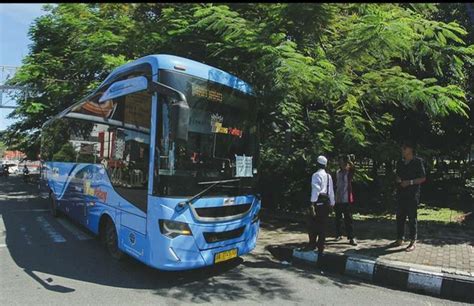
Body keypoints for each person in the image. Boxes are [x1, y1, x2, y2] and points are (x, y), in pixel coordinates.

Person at [392, 140, 426, 252]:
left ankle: (412, 241)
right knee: (400, 217)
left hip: (412, 195)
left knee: (412, 218)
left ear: (410, 149)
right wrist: (397, 179)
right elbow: (398, 175)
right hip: (401, 194)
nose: (402, 150)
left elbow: (422, 178)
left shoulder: (417, 162)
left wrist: (409, 182)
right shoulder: (400, 163)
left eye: (404, 148)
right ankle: (399, 238)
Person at [304, 155, 335, 255]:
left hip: (318, 201)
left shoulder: (316, 175)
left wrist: (312, 204)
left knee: (312, 224)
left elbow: (315, 190)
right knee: (323, 225)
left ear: (317, 164)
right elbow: (331, 191)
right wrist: (332, 204)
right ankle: (321, 246)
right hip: (326, 201)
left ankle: (312, 244)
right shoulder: (328, 176)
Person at [334, 155, 357, 246]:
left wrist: (349, 161)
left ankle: (351, 237)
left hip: (346, 198)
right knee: (338, 218)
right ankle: (338, 234)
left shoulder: (349, 172)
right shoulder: (337, 172)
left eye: (342, 161)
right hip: (338, 198)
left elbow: (353, 168)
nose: (341, 163)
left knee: (348, 219)